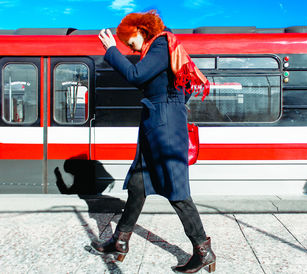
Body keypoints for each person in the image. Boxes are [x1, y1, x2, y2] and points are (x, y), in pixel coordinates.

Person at [92, 10, 216, 273]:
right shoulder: (157, 50)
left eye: (130, 40)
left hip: (165, 129)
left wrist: (112, 50)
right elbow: (149, 82)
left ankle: (203, 250)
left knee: (177, 190)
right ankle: (120, 241)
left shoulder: (160, 43)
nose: (129, 45)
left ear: (141, 30)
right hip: (156, 126)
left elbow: (136, 76)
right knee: (138, 184)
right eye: (124, 44)